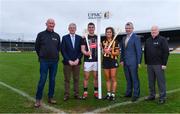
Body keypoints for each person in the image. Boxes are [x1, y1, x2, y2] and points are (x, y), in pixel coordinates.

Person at [34, 18, 61, 107]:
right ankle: (38, 99)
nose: (51, 25)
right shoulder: (41, 34)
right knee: (42, 79)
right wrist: (41, 56)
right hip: (44, 61)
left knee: (52, 80)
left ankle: (51, 97)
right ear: (46, 24)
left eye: (53, 23)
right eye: (50, 23)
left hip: (54, 62)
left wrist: (56, 57)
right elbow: (37, 47)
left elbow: (58, 48)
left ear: (54, 24)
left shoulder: (57, 36)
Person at [144, 25, 169, 104]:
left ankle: (162, 97)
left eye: (155, 30)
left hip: (159, 64)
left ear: (158, 31)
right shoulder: (148, 40)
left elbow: (166, 52)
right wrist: (146, 62)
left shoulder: (162, 39)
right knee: (151, 82)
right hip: (150, 65)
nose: (153, 31)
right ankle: (152, 95)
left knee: (160, 82)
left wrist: (164, 64)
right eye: (152, 30)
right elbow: (145, 52)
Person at [120, 22, 142, 102]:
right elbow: (122, 50)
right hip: (125, 62)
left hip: (133, 62)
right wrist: (121, 60)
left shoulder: (136, 38)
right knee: (128, 78)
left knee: (134, 78)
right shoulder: (123, 38)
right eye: (126, 28)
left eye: (129, 28)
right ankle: (128, 93)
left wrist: (139, 62)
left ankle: (136, 94)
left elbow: (139, 51)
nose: (127, 29)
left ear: (132, 29)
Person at [61, 23, 82, 101]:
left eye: (74, 28)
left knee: (76, 79)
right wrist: (68, 60)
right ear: (68, 29)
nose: (72, 29)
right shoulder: (64, 38)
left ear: (75, 29)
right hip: (67, 63)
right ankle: (67, 95)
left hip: (77, 62)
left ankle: (76, 94)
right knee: (67, 79)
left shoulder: (79, 38)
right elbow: (63, 50)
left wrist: (78, 59)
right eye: (71, 28)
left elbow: (81, 51)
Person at [81, 22, 98, 99]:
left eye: (92, 27)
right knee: (86, 77)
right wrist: (86, 53)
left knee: (95, 77)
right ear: (88, 29)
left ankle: (96, 92)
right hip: (87, 61)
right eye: (89, 27)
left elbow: (99, 48)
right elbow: (82, 49)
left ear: (94, 28)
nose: (91, 28)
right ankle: (85, 92)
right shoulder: (84, 38)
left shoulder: (97, 37)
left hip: (95, 60)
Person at [102, 27, 120, 101]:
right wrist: (103, 51)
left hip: (113, 61)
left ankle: (113, 94)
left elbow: (117, 53)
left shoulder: (116, 42)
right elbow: (102, 52)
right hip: (105, 61)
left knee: (113, 77)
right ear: (105, 33)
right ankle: (108, 94)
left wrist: (110, 52)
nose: (108, 33)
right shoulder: (103, 42)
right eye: (107, 32)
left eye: (110, 32)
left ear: (112, 33)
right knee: (107, 78)